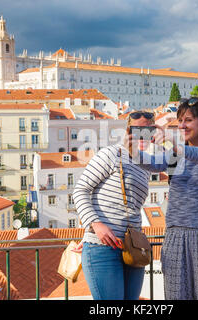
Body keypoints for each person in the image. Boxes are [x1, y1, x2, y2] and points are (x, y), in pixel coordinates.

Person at [127, 97, 198, 300]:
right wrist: (131, 149)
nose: (182, 125)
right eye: (180, 120)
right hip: (176, 237)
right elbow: (153, 164)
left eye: (189, 120)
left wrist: (177, 146)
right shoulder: (176, 154)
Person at [72, 110, 156, 300]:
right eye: (138, 130)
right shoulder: (110, 154)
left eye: (149, 131)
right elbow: (80, 190)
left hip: (133, 248)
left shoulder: (145, 165)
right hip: (103, 247)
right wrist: (96, 225)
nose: (144, 135)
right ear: (128, 131)